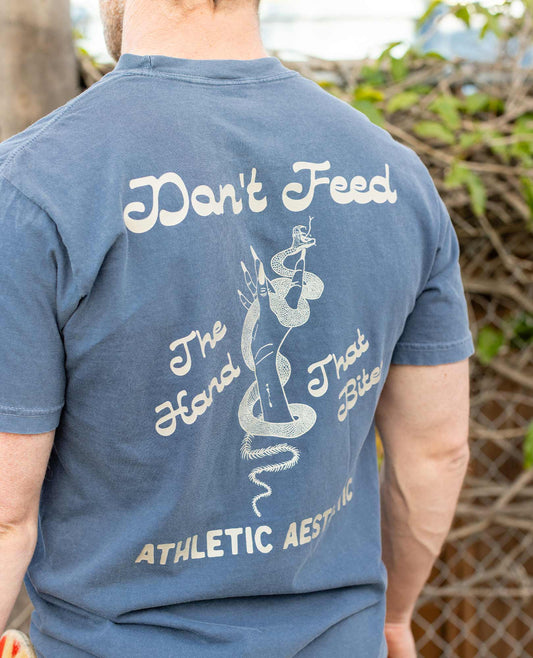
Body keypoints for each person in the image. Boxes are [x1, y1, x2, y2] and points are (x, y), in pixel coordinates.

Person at [0, 0, 474, 656]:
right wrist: (391, 619)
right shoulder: (396, 179)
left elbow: (5, 517)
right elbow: (436, 452)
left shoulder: (31, 189)